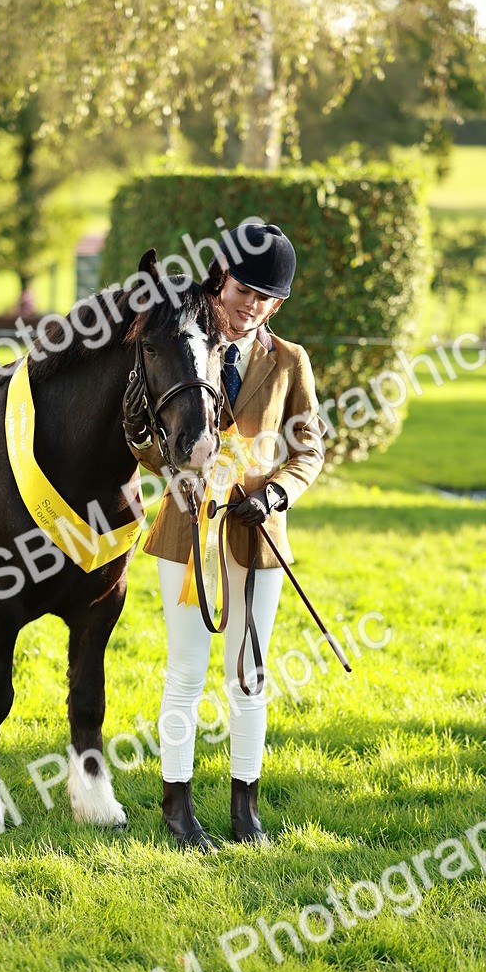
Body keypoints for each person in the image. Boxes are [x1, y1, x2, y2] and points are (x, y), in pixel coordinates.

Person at [123, 222, 326, 851]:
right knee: (185, 673)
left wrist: (274, 493)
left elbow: (308, 449)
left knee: (249, 675)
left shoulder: (289, 362)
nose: (251, 308)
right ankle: (177, 807)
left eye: (267, 300)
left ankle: (247, 807)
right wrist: (153, 448)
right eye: (243, 292)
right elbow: (151, 446)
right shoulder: (183, 344)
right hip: (187, 534)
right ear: (219, 281)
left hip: (257, 536)